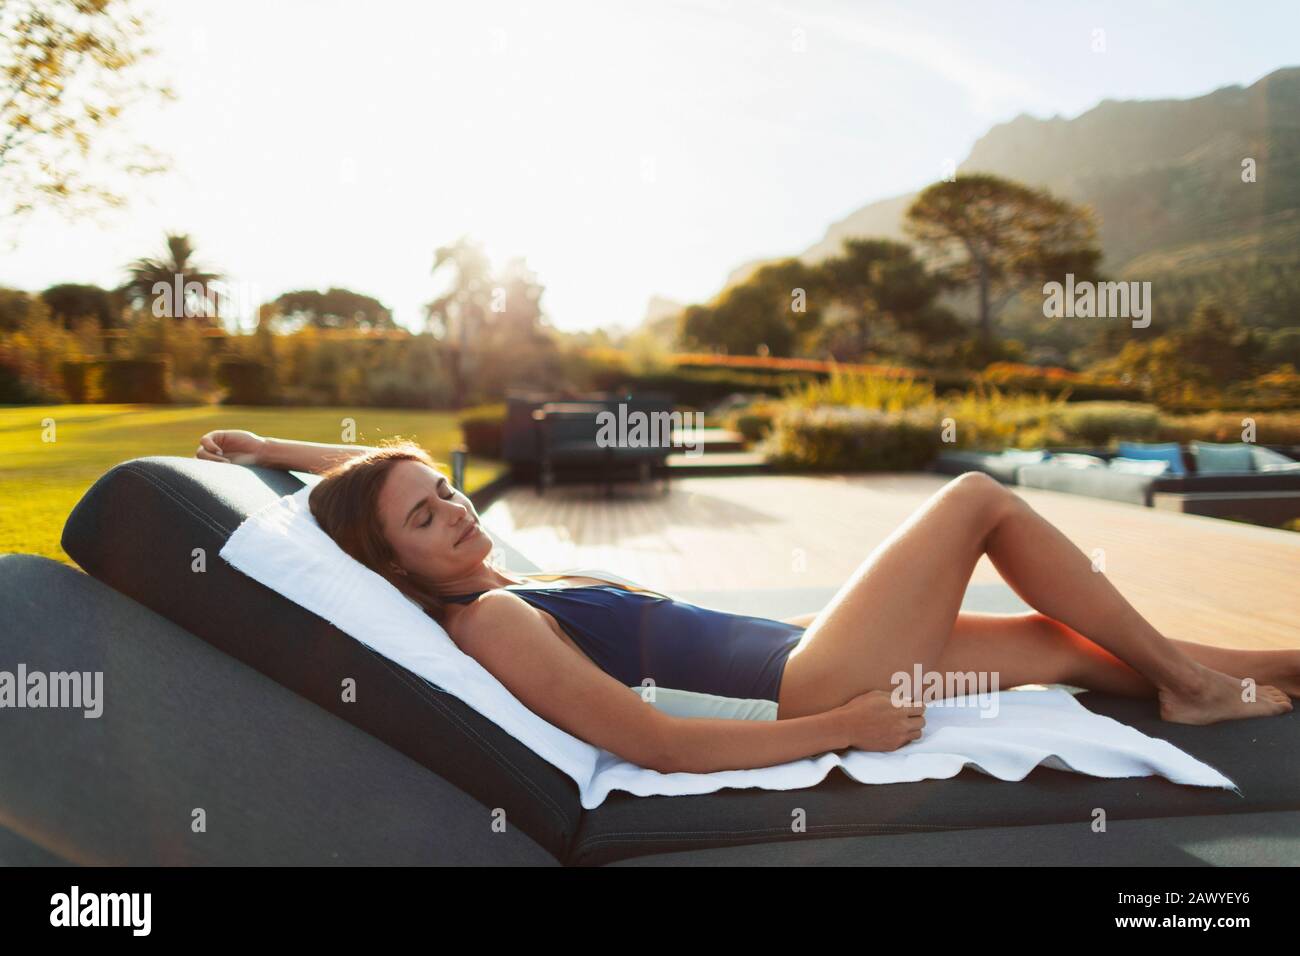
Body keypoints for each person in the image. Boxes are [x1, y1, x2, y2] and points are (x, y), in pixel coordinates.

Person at [196, 429, 1296, 775]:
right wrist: (841, 728)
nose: (456, 509)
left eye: (449, 493)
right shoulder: (486, 620)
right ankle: (1196, 688)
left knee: (1062, 644)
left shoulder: (499, 568)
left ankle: (1262, 667)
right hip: (811, 679)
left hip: (808, 645)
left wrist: (268, 450)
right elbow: (653, 742)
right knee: (972, 500)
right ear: (392, 563)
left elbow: (385, 468)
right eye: (428, 519)